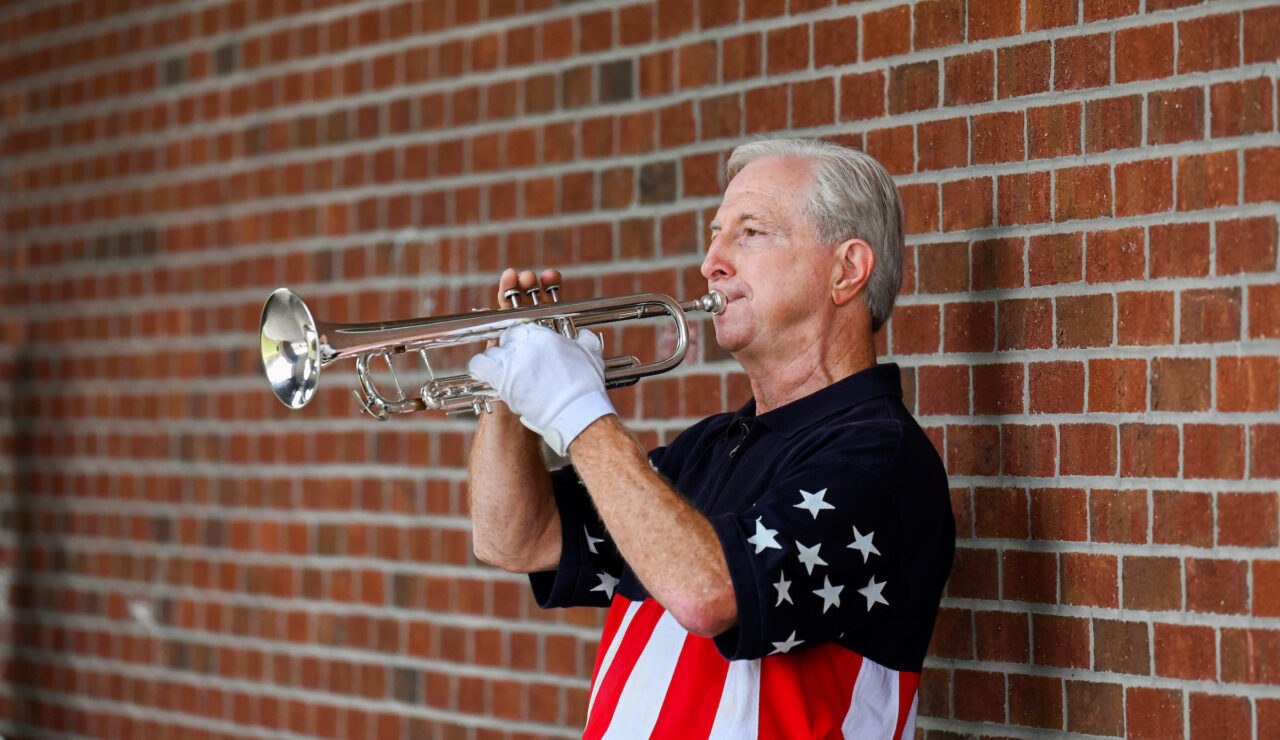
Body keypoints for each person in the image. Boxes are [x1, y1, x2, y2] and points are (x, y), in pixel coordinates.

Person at [465, 138, 955, 739]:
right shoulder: (711, 445)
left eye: (751, 232)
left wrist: (577, 410)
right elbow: (513, 538)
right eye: (715, 234)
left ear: (846, 271)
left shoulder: (881, 460)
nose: (711, 263)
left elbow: (708, 595)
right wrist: (508, 391)